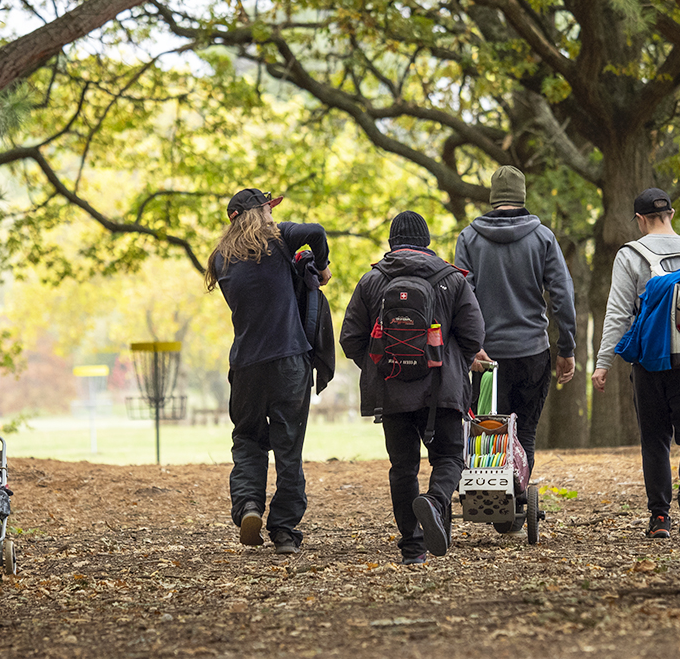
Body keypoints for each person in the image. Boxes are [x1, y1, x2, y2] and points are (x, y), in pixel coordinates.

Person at [341, 211, 484, 564]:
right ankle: (434, 503)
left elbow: (350, 339)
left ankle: (413, 547)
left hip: (391, 393)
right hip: (442, 389)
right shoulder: (452, 279)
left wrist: (382, 366)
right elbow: (474, 336)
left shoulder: (372, 281)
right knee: (450, 457)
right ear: (427, 242)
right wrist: (451, 365)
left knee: (402, 467)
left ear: (392, 243)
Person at [205, 187, 331, 556]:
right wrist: (320, 268)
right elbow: (317, 231)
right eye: (269, 209)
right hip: (289, 360)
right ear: (260, 212)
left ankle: (249, 506)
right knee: (288, 445)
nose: (274, 215)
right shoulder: (278, 241)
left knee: (247, 439)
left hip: (245, 365)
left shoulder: (219, 260)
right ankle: (285, 530)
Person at [591, 188, 680, 541]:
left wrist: (604, 363)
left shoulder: (630, 255)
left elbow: (617, 314)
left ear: (640, 219)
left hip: (651, 362)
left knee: (655, 439)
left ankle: (660, 518)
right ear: (671, 214)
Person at [454, 165, 577, 489]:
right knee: (525, 433)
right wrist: (567, 348)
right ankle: (517, 499)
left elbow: (461, 296)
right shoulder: (543, 237)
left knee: (488, 429)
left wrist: (470, 345)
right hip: (532, 351)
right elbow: (563, 296)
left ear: (494, 197)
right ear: (521, 195)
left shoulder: (468, 238)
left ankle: (491, 494)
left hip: (486, 356)